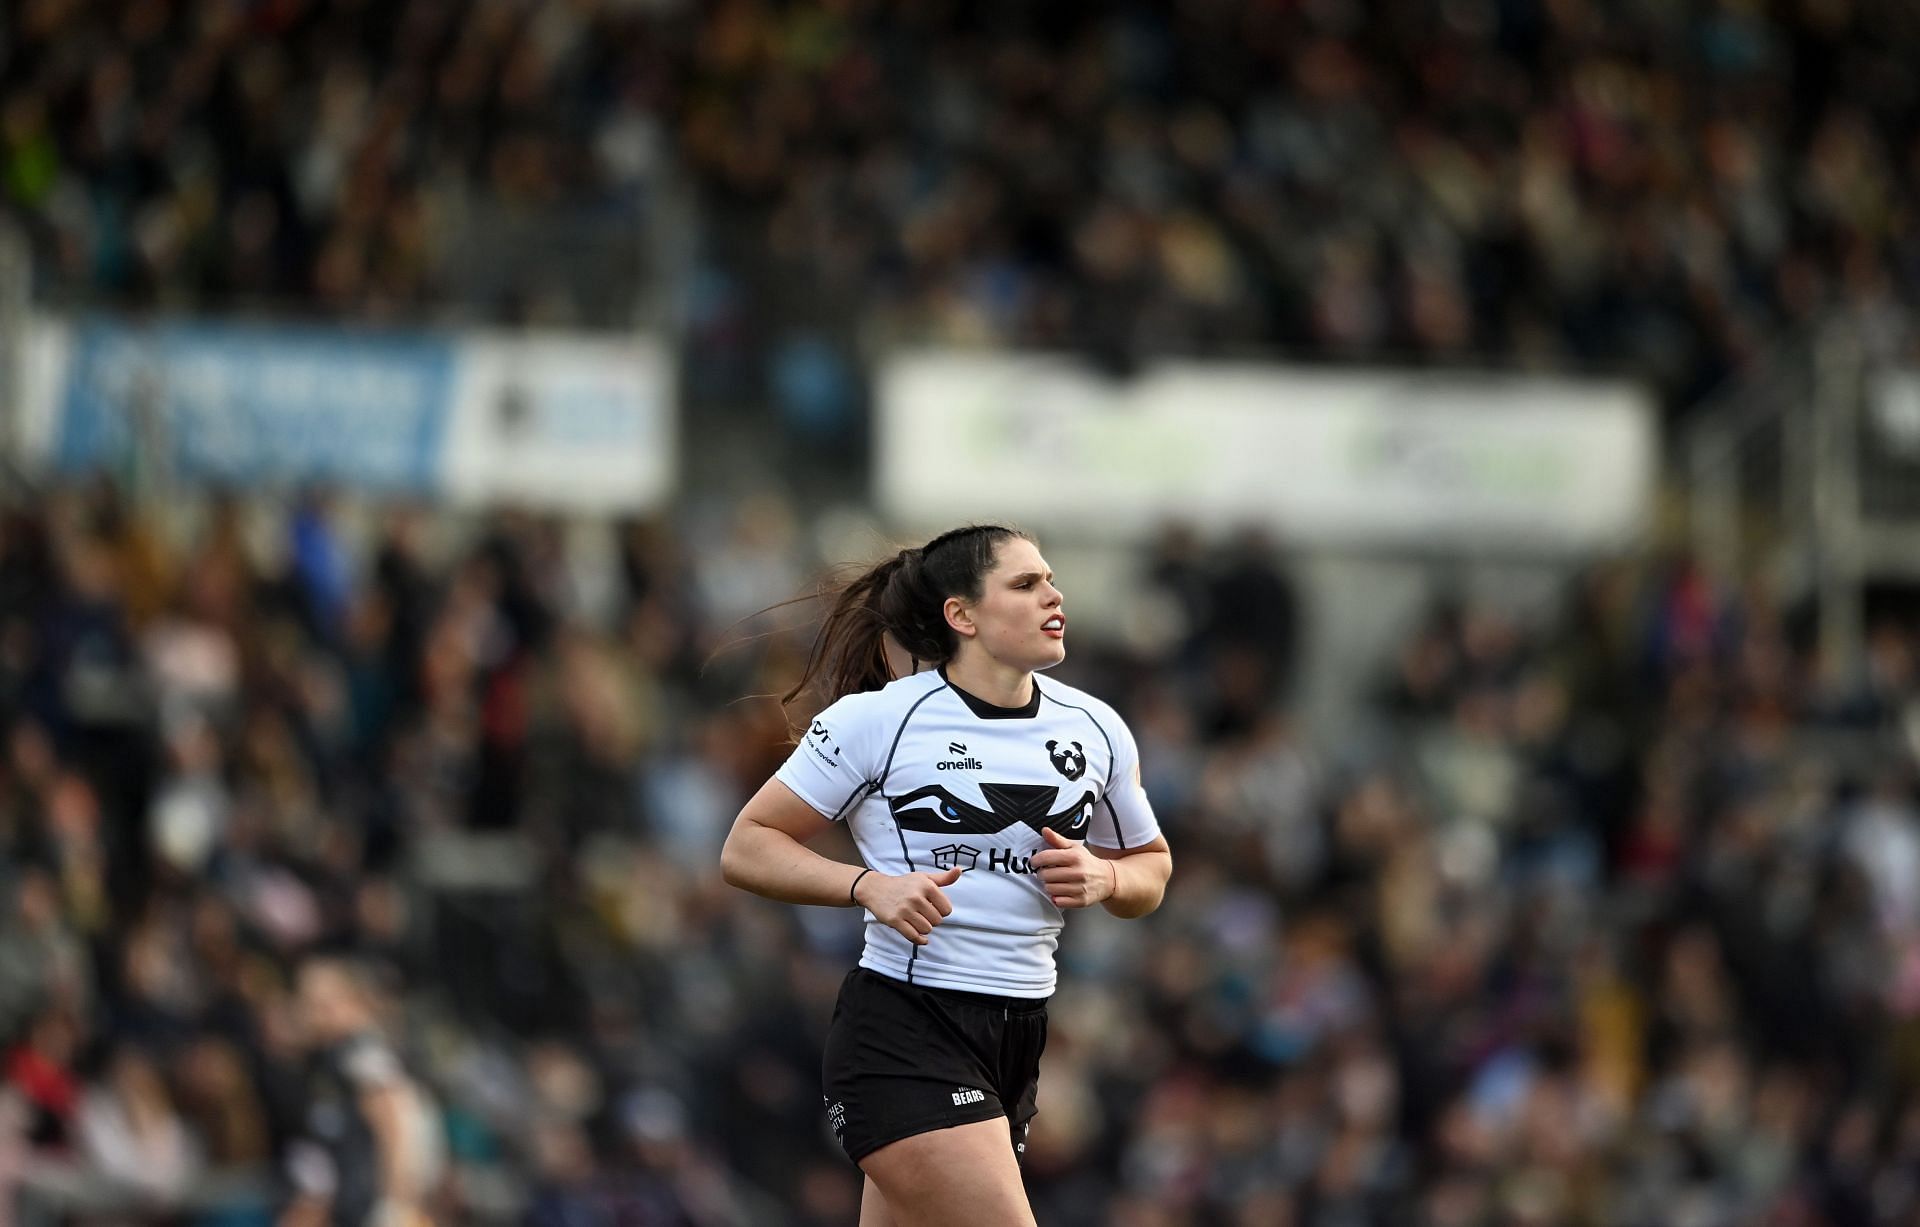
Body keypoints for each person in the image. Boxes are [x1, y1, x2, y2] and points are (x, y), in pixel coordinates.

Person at [721, 525, 1173, 1226]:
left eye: (1051, 578)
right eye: (1025, 584)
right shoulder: (878, 720)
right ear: (961, 615)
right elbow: (747, 844)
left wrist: (1106, 879)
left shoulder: (1096, 727)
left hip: (1016, 1038)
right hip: (904, 1028)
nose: (1054, 595)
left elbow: (1152, 866)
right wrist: (864, 884)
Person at [282, 957, 445, 1227]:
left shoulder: (362, 1052)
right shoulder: (330, 1058)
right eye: (308, 1003)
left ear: (353, 1001)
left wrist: (394, 1205)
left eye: (325, 1003)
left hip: (374, 1205)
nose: (314, 1013)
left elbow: (395, 1125)